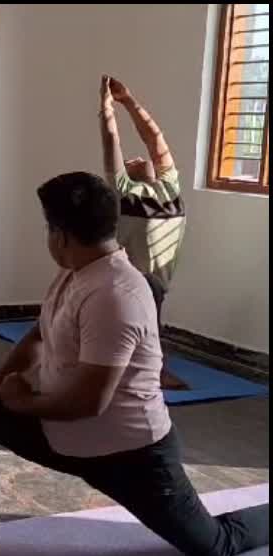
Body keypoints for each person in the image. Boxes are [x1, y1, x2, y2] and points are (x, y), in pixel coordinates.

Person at [0, 170, 268, 556]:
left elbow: (90, 401)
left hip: (129, 455)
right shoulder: (76, 271)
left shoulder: (115, 294)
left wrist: (21, 401)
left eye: (48, 227)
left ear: (61, 235)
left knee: (213, 547)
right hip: (63, 433)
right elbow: (40, 334)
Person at [98, 75, 188, 389]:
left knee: (148, 328)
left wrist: (128, 101)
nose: (139, 156)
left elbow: (154, 138)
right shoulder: (124, 193)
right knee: (135, 330)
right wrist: (105, 109)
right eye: (131, 160)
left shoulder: (170, 186)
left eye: (143, 158)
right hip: (134, 280)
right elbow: (111, 143)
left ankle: (148, 373)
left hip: (157, 281)